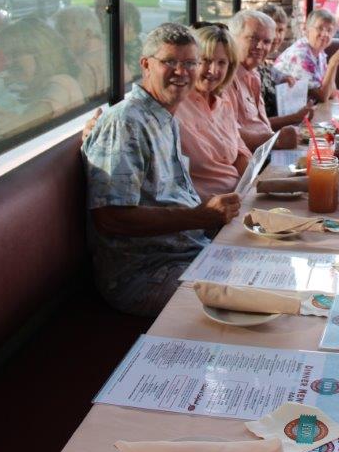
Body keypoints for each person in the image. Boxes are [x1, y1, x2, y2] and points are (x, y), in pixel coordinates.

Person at [82, 23, 241, 317]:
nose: (182, 72)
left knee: (270, 269)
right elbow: (110, 218)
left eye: (190, 63)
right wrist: (199, 216)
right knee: (247, 302)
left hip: (189, 252)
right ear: (146, 64)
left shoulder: (165, 116)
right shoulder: (126, 122)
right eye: (170, 62)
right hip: (144, 274)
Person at [174, 25, 250, 200]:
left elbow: (239, 153)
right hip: (205, 212)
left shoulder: (224, 104)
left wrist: (251, 187)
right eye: (206, 60)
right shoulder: (175, 106)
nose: (214, 70)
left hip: (238, 197)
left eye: (221, 62)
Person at [224, 9, 299, 150]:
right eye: (253, 38)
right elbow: (230, 135)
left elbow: (262, 126)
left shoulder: (254, 73)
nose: (260, 47)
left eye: (266, 41)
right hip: (252, 161)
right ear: (232, 37)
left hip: (268, 152)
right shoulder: (224, 78)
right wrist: (276, 139)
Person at [273, 9, 339, 103]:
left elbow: (332, 92)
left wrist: (332, 66)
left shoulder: (319, 53)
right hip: (288, 114)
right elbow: (322, 96)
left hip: (307, 111)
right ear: (307, 30)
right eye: (320, 28)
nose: (325, 34)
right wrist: (333, 64)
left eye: (329, 30)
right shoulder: (300, 54)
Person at [55, 5, 108, 98]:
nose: (59, 38)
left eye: (65, 32)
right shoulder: (111, 53)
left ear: (88, 34)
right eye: (58, 33)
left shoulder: (81, 67)